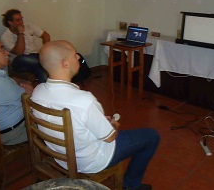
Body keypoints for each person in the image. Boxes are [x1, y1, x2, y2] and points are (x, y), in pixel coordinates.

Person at [32, 40, 160, 190]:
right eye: (75, 55)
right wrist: (112, 126)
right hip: (90, 161)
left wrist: (97, 120)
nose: (79, 57)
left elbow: (72, 120)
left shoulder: (38, 91)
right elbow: (110, 137)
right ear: (65, 64)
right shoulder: (84, 100)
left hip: (60, 156)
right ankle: (131, 185)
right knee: (151, 136)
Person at [0, 9, 50, 83]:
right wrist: (20, 33)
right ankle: (45, 61)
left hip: (35, 58)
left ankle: (47, 90)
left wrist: (45, 52)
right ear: (10, 22)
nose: (21, 22)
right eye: (18, 20)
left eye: (21, 19)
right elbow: (20, 52)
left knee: (40, 69)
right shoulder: (5, 37)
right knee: (23, 58)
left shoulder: (28, 25)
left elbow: (46, 36)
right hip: (19, 62)